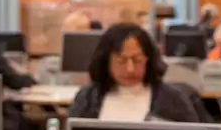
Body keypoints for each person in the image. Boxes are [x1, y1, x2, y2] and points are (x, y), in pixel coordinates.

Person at [69, 23, 200, 122]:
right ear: (106, 61)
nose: (130, 69)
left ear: (149, 60)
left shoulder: (173, 100)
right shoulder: (87, 98)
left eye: (137, 60)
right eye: (121, 61)